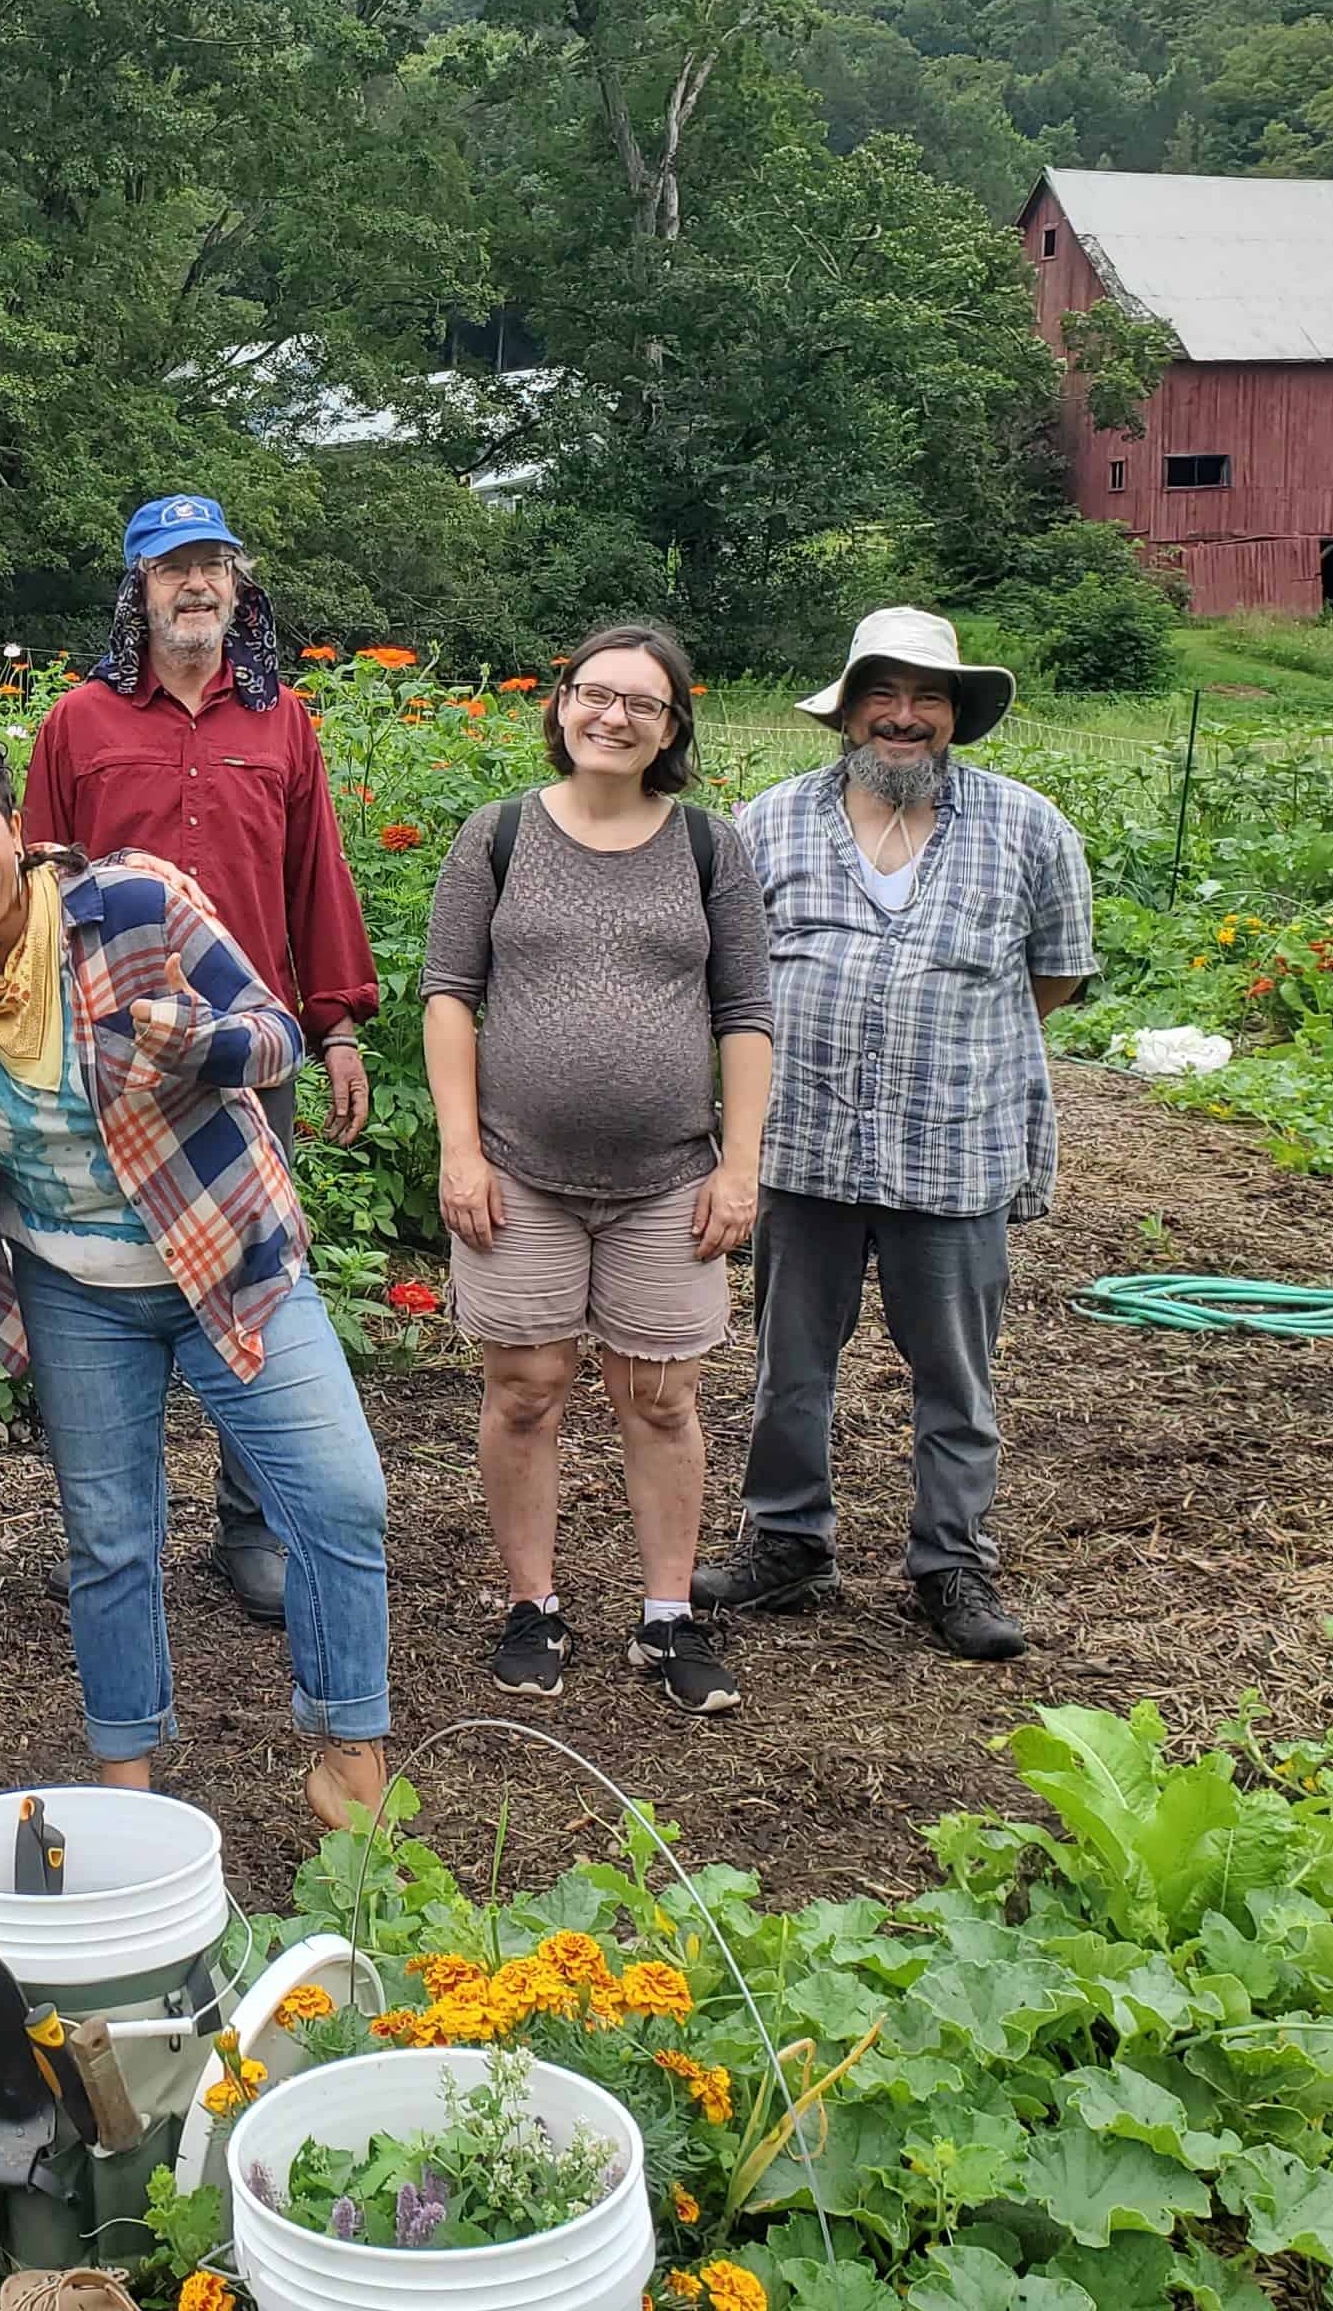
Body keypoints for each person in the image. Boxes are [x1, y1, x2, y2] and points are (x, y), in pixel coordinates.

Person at [0, 717, 393, 1831]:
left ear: (13, 827)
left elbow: (276, 1036)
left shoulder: (135, 905)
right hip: (72, 1288)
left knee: (342, 1497)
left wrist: (194, 1043)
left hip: (226, 1257)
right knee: (109, 1537)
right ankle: (129, 1783)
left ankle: (352, 1755)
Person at [696, 608, 1094, 1662]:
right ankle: (786, 1544)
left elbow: (1053, 975)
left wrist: (938, 1037)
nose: (904, 718)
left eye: (927, 699)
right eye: (884, 695)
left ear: (955, 715)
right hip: (804, 1146)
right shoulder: (767, 822)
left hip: (954, 1147)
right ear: (850, 709)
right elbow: (731, 979)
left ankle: (952, 1562)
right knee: (790, 1364)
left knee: (956, 1376)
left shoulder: (1030, 827)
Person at [21, 495, 377, 1620]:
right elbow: (33, 887)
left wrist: (340, 1026)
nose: (196, 585)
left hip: (243, 1051)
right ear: (136, 589)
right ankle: (124, 1525)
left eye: (214, 565)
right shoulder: (78, 722)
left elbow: (316, 877)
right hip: (105, 1058)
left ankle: (255, 1520)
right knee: (106, 1281)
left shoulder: (283, 725)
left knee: (256, 1275)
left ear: (240, 585)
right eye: (173, 568)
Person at [421, 624, 773, 1714]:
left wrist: (740, 1167)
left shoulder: (710, 847)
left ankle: (668, 1617)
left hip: (669, 1174)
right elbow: (447, 993)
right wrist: (461, 1149)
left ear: (672, 728)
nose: (611, 718)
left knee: (660, 1396)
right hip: (519, 1170)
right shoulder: (500, 836)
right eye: (593, 694)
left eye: (641, 704)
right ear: (562, 703)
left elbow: (746, 1014)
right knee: (526, 1389)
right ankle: (534, 1606)